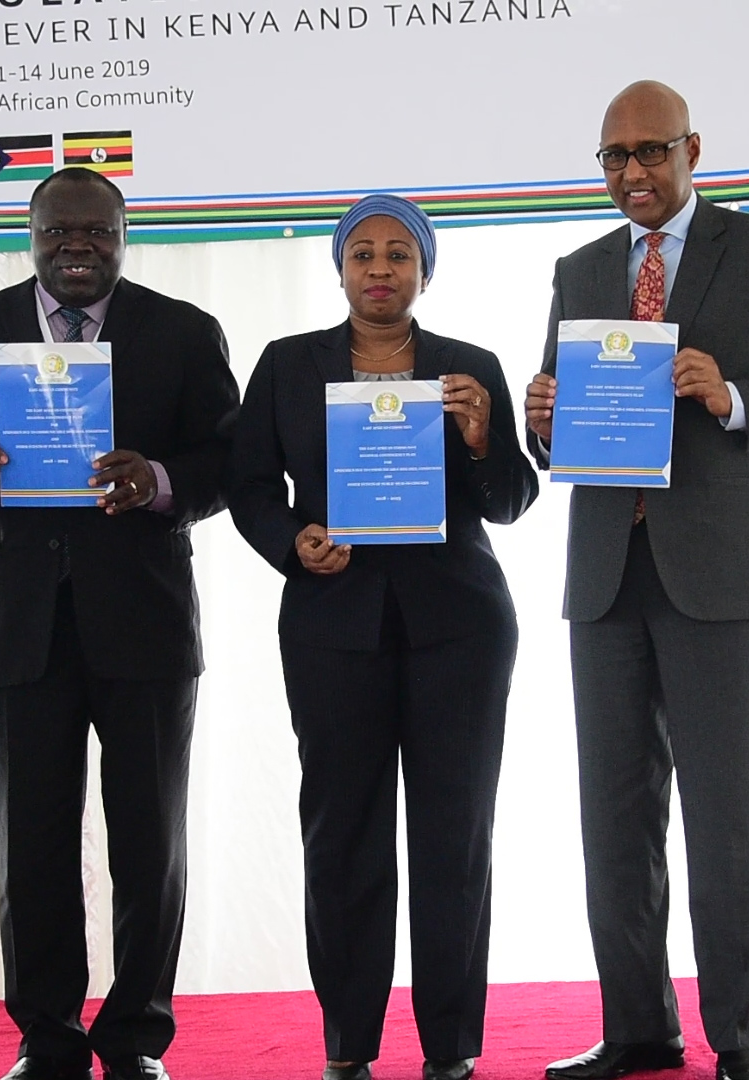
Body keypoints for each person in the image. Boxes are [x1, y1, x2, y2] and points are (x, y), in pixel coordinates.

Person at [524, 82, 749, 1080]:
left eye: (651, 151)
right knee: (615, 818)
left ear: (691, 151)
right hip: (606, 577)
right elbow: (555, 415)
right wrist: (540, 413)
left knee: (730, 817)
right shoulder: (581, 266)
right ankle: (639, 1027)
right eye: (614, 157)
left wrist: (734, 397)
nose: (633, 172)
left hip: (724, 580)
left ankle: (739, 1038)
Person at [0, 167, 241, 1080]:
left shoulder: (182, 332)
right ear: (33, 236)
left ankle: (134, 1040)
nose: (77, 247)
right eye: (59, 233)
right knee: (32, 846)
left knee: (148, 844)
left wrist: (162, 480)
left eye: (96, 232)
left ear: (124, 236)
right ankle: (46, 1041)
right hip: (22, 630)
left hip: (146, 626)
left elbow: (227, 459)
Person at [227, 195, 539, 1080]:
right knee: (342, 834)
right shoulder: (288, 366)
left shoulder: (467, 365)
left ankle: (451, 1048)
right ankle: (348, 1047)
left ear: (425, 272)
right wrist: (295, 541)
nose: (379, 269)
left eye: (399, 255)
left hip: (461, 629)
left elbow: (513, 500)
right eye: (362, 253)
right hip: (333, 625)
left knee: (454, 836)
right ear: (338, 268)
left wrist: (482, 438)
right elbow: (249, 484)